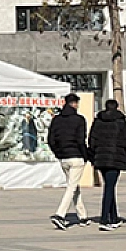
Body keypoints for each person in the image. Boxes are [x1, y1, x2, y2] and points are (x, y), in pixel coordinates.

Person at [87, 99, 126, 232]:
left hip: (101, 159)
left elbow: (92, 140)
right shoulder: (121, 122)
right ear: (117, 107)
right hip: (116, 158)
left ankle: (113, 217)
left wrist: (92, 157)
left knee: (109, 186)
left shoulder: (98, 121)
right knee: (109, 188)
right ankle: (104, 219)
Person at [47, 93, 91, 229]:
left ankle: (82, 216)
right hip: (76, 156)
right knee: (71, 187)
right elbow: (80, 140)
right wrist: (86, 155)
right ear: (74, 104)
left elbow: (50, 140)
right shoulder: (79, 119)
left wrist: (58, 153)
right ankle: (60, 214)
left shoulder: (56, 120)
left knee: (74, 186)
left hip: (63, 158)